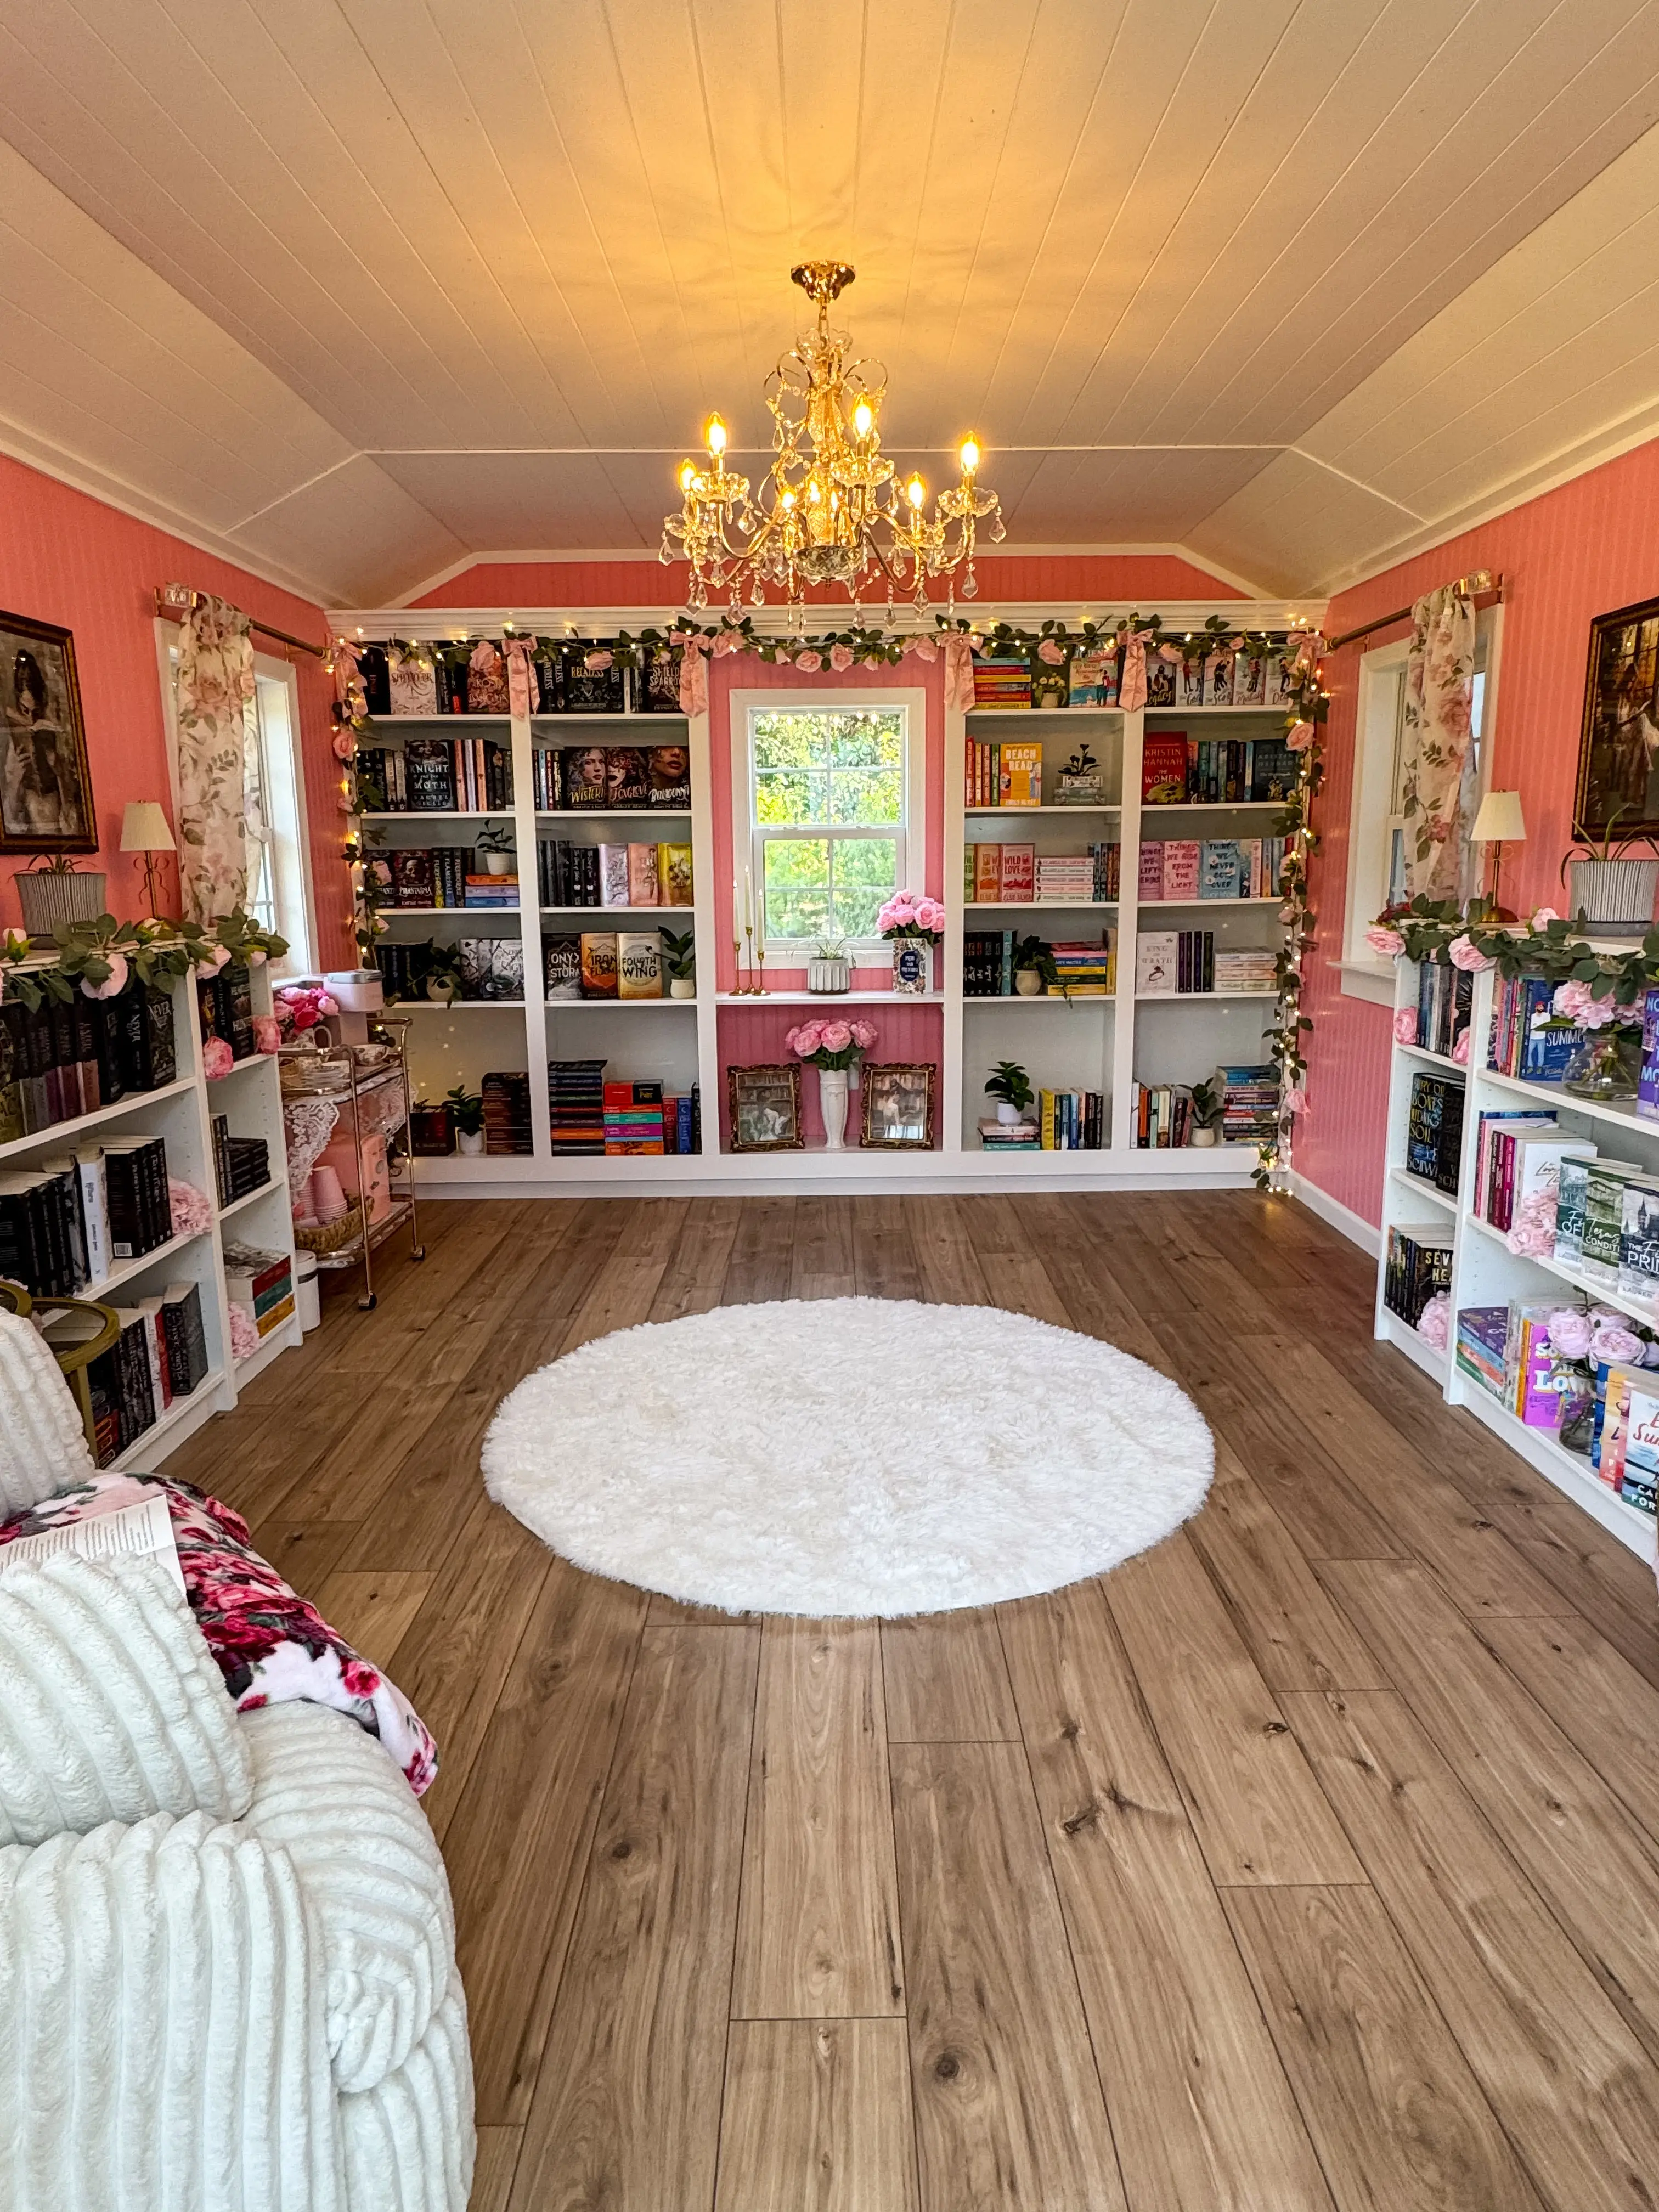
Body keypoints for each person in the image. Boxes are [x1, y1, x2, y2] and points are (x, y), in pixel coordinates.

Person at [2, 650, 76, 838]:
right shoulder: (11, 743)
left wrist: (59, 771)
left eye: (35, 713)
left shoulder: (54, 737)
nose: (30, 722)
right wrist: (15, 780)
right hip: (28, 798)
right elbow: (11, 822)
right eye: (25, 712)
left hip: (51, 797)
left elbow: (70, 816)